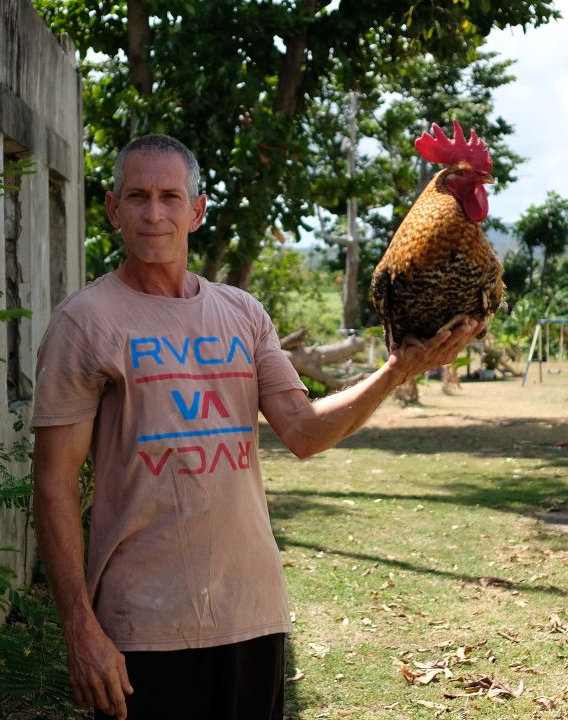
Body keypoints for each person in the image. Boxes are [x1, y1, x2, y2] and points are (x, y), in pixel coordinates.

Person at [31, 134, 478, 720]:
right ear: (114, 208)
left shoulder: (243, 313)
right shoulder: (84, 324)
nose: (154, 213)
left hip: (251, 611)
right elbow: (53, 485)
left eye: (171, 196)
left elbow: (303, 430)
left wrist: (397, 371)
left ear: (197, 210)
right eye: (137, 196)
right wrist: (79, 630)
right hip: (143, 625)